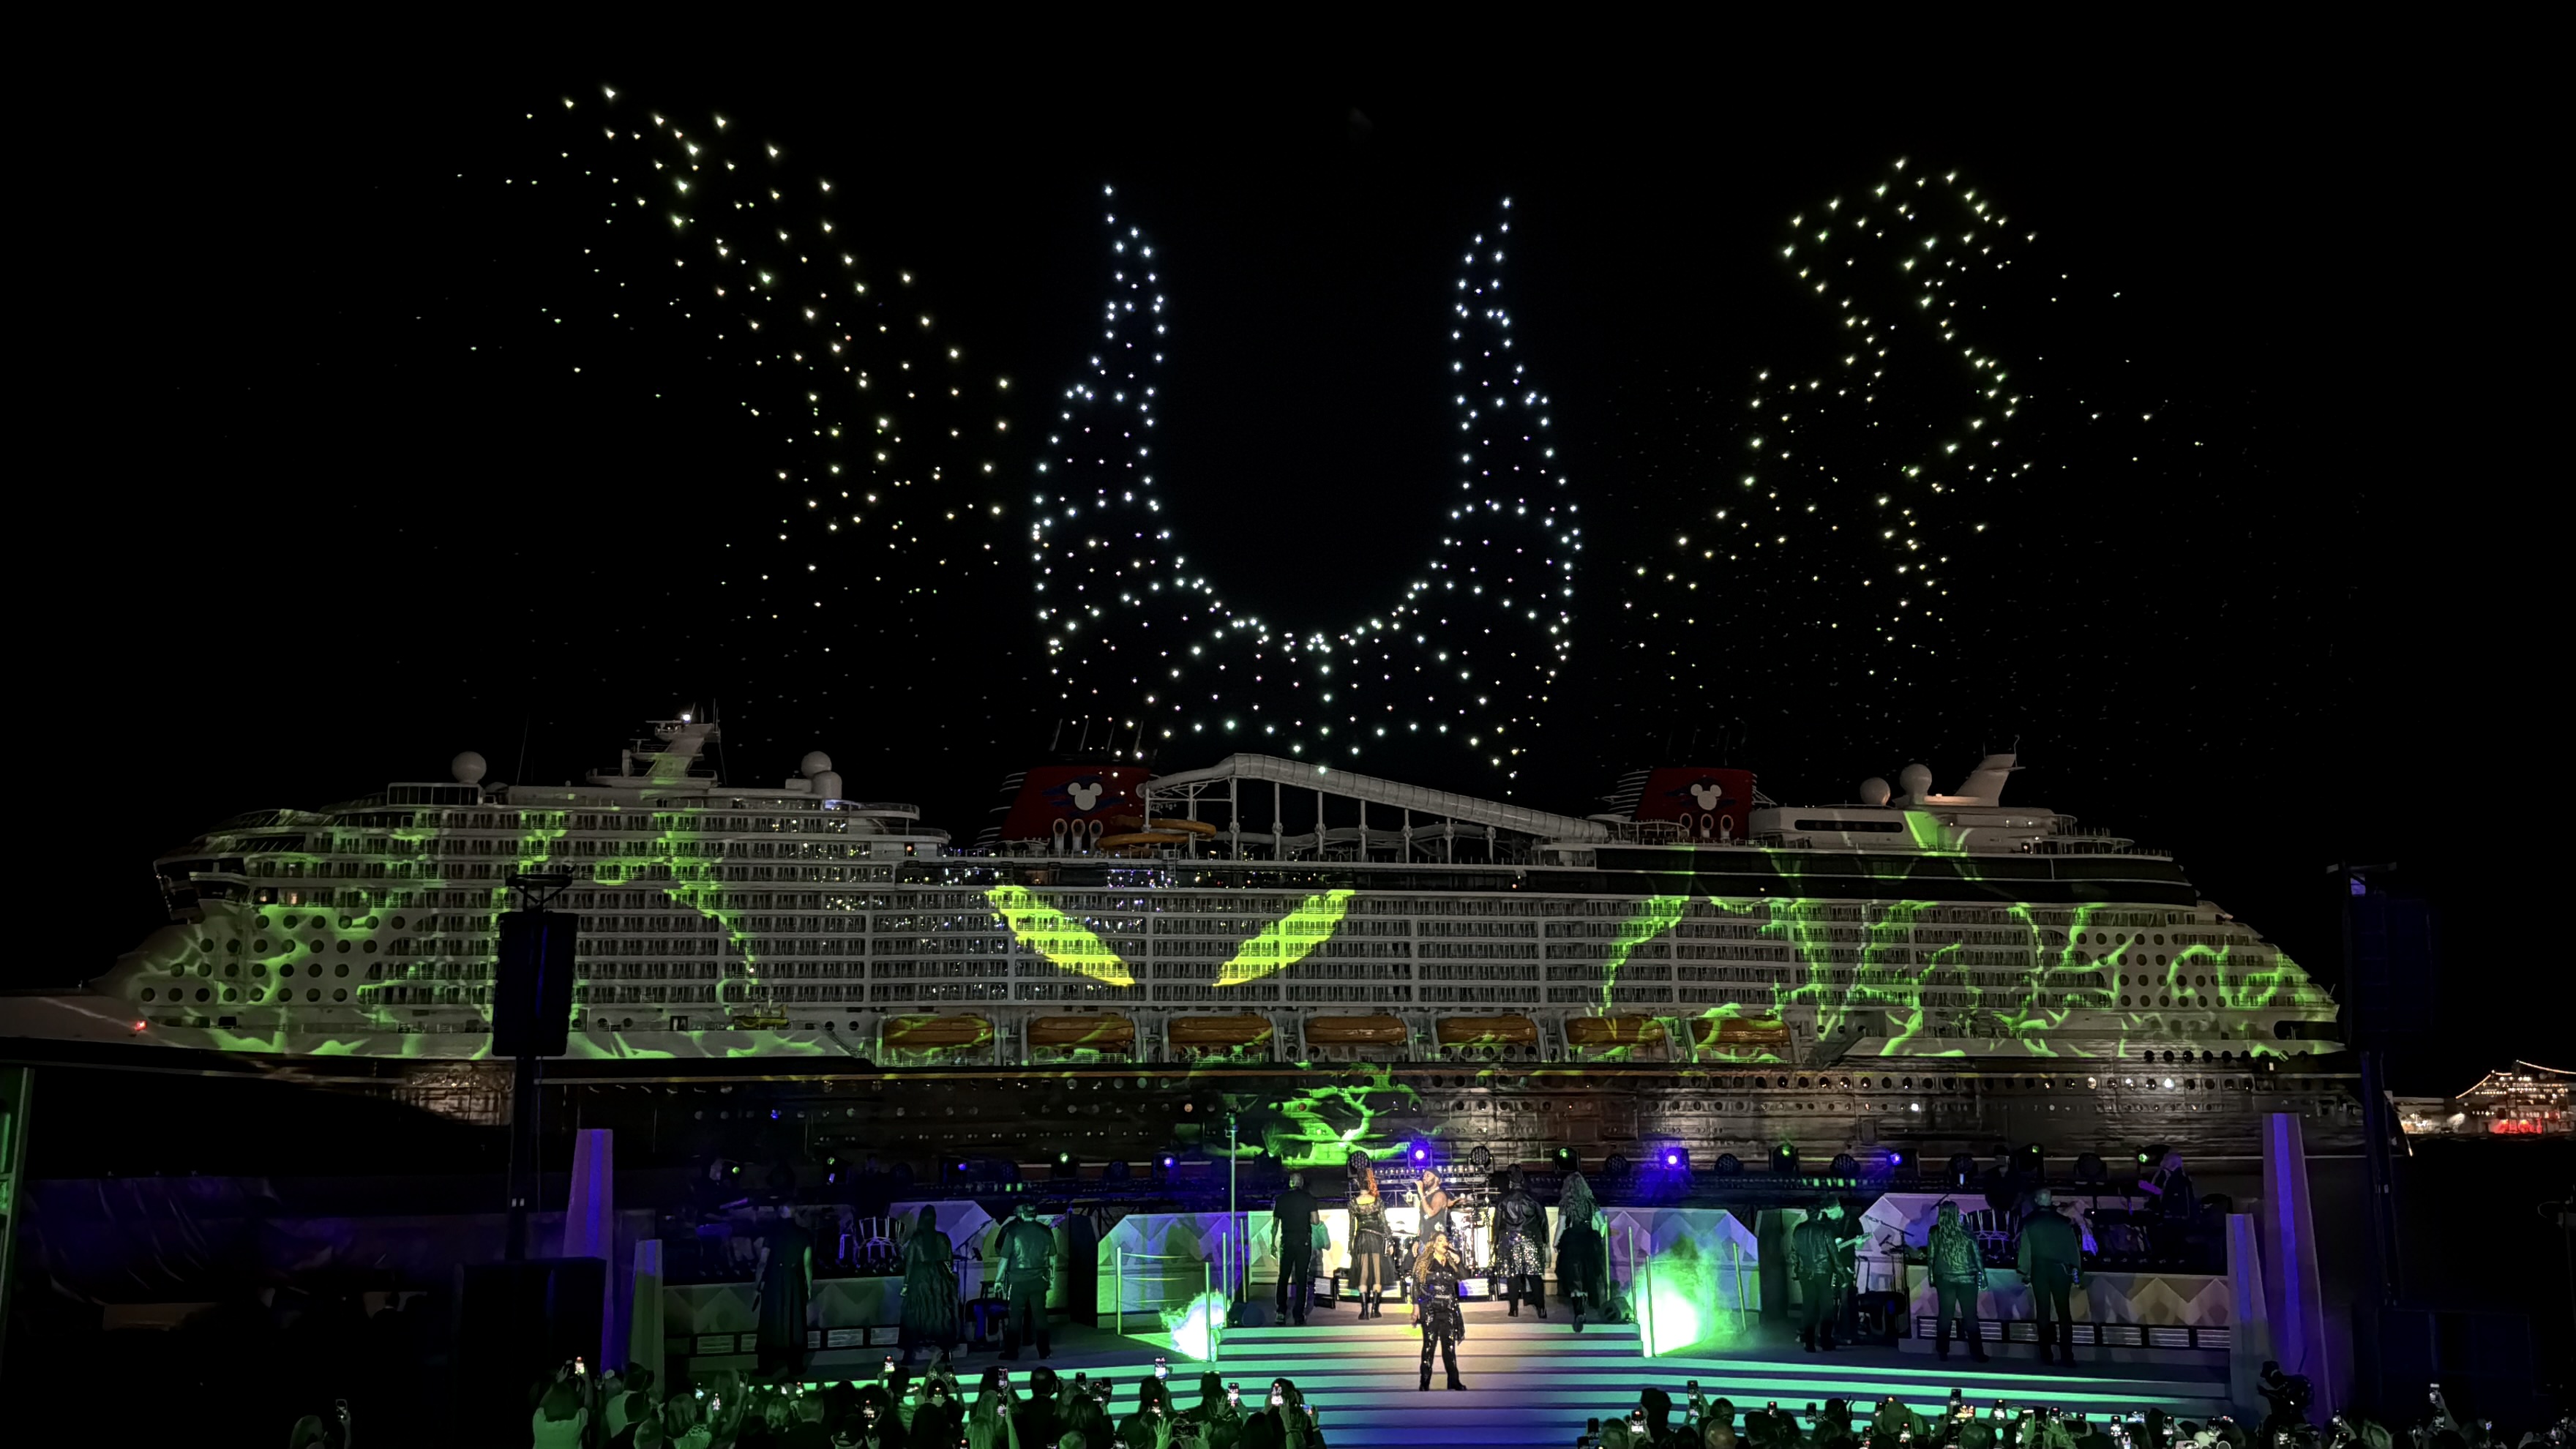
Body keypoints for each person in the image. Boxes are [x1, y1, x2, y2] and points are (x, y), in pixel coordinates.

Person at [2016, 1188, 2083, 1366]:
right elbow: (2073, 1251)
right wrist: (2077, 1272)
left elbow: (2025, 1251)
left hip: (2040, 1270)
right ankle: (2067, 1355)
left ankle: (2046, 1354)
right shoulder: (2064, 1223)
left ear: (2037, 1201)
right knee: (2064, 1313)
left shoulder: (2030, 1223)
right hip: (2061, 1271)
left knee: (2043, 1312)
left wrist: (2025, 1273)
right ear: (2051, 1200)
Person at [1791, 1199, 1860, 1352]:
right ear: (1820, 1214)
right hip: (1823, 1273)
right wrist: (1842, 1275)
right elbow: (1834, 1255)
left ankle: (1809, 1343)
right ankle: (1826, 1341)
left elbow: (1794, 1253)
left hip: (1804, 1273)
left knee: (1809, 1307)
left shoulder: (1799, 1229)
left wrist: (1796, 1271)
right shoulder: (1825, 1230)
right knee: (1827, 1308)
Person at [899, 1204, 964, 1362]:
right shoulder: (943, 1238)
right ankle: (946, 1352)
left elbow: (910, 1264)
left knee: (914, 1316)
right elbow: (949, 1261)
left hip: (920, 1280)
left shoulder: (916, 1240)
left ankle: (909, 1354)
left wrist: (906, 1285)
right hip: (940, 1280)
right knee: (941, 1316)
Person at [995, 1201, 1058, 1360]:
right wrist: (1051, 1278)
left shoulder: (1013, 1231)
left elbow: (1004, 1259)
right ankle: (1044, 1351)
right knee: (1040, 1316)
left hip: (1018, 1281)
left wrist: (998, 1280)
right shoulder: (1046, 1231)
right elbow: (1052, 1258)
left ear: (1022, 1214)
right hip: (1039, 1280)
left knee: (1015, 1317)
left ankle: (1011, 1352)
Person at [758, 1208, 817, 1383]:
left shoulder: (772, 1233)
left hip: (773, 1282)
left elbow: (763, 1261)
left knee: (770, 1321)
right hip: (794, 1282)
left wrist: (757, 1283)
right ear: (794, 1213)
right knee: (795, 1321)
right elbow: (807, 1263)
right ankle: (795, 1365)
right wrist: (809, 1287)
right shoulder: (804, 1234)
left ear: (781, 1213)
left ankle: (766, 1367)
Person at [1928, 1200, 1990, 1363]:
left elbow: (1931, 1257)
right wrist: (1983, 1277)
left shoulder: (1934, 1232)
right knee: (1970, 1316)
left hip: (1944, 1278)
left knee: (1945, 1315)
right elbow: (1977, 1257)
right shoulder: (1967, 1232)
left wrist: (1932, 1278)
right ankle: (1977, 1353)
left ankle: (1942, 1351)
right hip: (1967, 1278)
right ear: (1957, 1214)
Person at [1410, 1232, 1467, 1390]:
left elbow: (1464, 1276)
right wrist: (1416, 1306)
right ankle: (1424, 1382)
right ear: (1434, 1244)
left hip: (1448, 1307)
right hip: (1430, 1307)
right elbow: (1416, 1284)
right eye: (1440, 1240)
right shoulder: (1425, 1261)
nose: (1443, 1243)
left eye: (1445, 1240)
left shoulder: (1451, 1261)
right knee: (1429, 1344)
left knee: (1449, 1346)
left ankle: (1454, 1381)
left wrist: (1459, 1261)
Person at [1491, 1167, 1549, 1318]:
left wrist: (1495, 1242)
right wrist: (1545, 1240)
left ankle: (1514, 1309)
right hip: (1530, 1238)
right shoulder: (1533, 1198)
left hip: (1510, 1239)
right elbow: (1543, 1220)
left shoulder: (1504, 1199)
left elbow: (1496, 1223)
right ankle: (1541, 1308)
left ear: (1510, 1182)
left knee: (1513, 1275)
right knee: (1534, 1275)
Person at [1556, 1170, 1609, 1333]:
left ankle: (1578, 1311)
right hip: (1588, 1240)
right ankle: (1583, 1310)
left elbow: (1561, 1225)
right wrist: (1598, 1238)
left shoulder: (1566, 1203)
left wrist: (1556, 1242)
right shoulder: (1591, 1202)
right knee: (1587, 1276)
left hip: (1571, 1241)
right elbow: (1602, 1223)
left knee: (1574, 1277)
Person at [1270, 1171, 1319, 1325]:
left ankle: (1281, 1312)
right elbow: (1316, 1221)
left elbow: (1275, 1225)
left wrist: (1272, 1243)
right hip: (1303, 1241)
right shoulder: (1309, 1198)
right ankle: (1298, 1315)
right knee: (1301, 1278)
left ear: (1290, 1183)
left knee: (1283, 1276)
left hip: (1287, 1240)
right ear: (1302, 1183)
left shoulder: (1281, 1199)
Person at [1347, 1164, 1391, 1319]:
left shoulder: (1353, 1203)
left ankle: (1364, 1311)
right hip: (1376, 1239)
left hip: (1361, 1239)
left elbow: (1352, 1227)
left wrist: (1350, 1245)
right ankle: (1375, 1310)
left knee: (1363, 1274)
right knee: (1377, 1274)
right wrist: (1389, 1242)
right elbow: (1384, 1224)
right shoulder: (1377, 1202)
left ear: (1358, 1184)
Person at [2141, 1150, 2198, 1223]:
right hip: (2166, 1216)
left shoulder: (2179, 1178)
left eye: (2166, 1160)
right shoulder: (2164, 1175)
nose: (2163, 1162)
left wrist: (2150, 1188)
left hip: (2174, 1218)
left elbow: (2168, 1196)